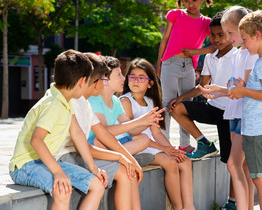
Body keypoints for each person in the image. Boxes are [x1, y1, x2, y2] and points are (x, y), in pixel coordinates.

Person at [9, 50, 106, 210]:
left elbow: (77, 134)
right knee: (62, 190)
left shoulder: (65, 101)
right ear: (82, 82)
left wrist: (93, 168)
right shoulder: (53, 104)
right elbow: (36, 140)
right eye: (89, 81)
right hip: (25, 165)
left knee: (96, 184)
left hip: (46, 162)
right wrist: (58, 172)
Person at [56, 53, 143, 210]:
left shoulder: (85, 103)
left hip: (80, 154)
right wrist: (120, 157)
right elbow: (84, 146)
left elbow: (105, 135)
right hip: (67, 158)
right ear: (95, 83)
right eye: (104, 79)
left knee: (128, 170)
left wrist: (130, 159)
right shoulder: (74, 103)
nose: (106, 83)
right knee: (123, 172)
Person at [170, 11, 238, 208]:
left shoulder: (238, 56)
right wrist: (181, 97)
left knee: (230, 162)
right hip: (213, 108)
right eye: (213, 35)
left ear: (230, 33)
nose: (216, 39)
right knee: (177, 108)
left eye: (221, 35)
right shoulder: (210, 57)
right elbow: (203, 85)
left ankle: (232, 202)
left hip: (230, 114)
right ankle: (204, 143)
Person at [199, 6, 257, 210]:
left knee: (236, 165)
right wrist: (221, 90)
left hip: (244, 115)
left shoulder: (250, 54)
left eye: (230, 33)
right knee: (240, 166)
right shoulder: (241, 54)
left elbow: (246, 88)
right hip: (233, 113)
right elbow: (236, 87)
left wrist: (225, 90)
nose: (229, 38)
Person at [120, 58, 194, 210]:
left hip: (150, 144)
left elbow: (157, 132)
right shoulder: (125, 101)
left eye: (141, 78)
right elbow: (132, 132)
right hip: (134, 145)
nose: (136, 81)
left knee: (184, 160)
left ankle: (189, 206)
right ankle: (178, 207)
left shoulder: (149, 101)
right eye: (132, 77)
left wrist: (172, 149)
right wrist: (166, 151)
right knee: (170, 163)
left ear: (150, 83)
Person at [157, 0, 216, 153]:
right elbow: (165, 39)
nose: (190, 4)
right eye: (186, 0)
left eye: (195, 0)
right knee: (167, 103)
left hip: (189, 66)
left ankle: (185, 144)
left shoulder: (207, 22)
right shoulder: (175, 14)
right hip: (170, 62)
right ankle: (165, 144)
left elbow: (214, 47)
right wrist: (159, 64)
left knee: (186, 106)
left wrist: (195, 52)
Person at [228, 10, 262, 210]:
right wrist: (244, 86)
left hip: (258, 131)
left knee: (260, 180)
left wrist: (243, 90)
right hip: (255, 129)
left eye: (246, 39)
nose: (243, 44)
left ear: (258, 36)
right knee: (258, 177)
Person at [88, 56, 164, 166]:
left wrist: (148, 121)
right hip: (94, 145)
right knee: (99, 142)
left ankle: (121, 158)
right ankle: (124, 158)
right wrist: (140, 121)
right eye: (119, 75)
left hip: (108, 145)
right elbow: (103, 133)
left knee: (144, 138)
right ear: (105, 80)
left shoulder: (115, 101)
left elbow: (132, 130)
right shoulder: (94, 100)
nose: (124, 78)